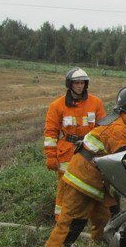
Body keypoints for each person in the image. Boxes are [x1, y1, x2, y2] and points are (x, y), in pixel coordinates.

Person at [36, 85, 126, 247]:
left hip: (97, 183)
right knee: (70, 227)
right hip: (83, 183)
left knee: (107, 223)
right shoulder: (118, 129)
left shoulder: (124, 126)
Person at [43, 68, 106, 218]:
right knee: (65, 187)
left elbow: (103, 129)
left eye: (82, 83)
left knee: (89, 185)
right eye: (76, 83)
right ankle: (61, 221)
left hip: (89, 151)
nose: (80, 86)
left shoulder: (96, 103)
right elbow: (51, 133)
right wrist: (51, 156)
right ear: (69, 84)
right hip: (67, 153)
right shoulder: (57, 105)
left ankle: (84, 218)